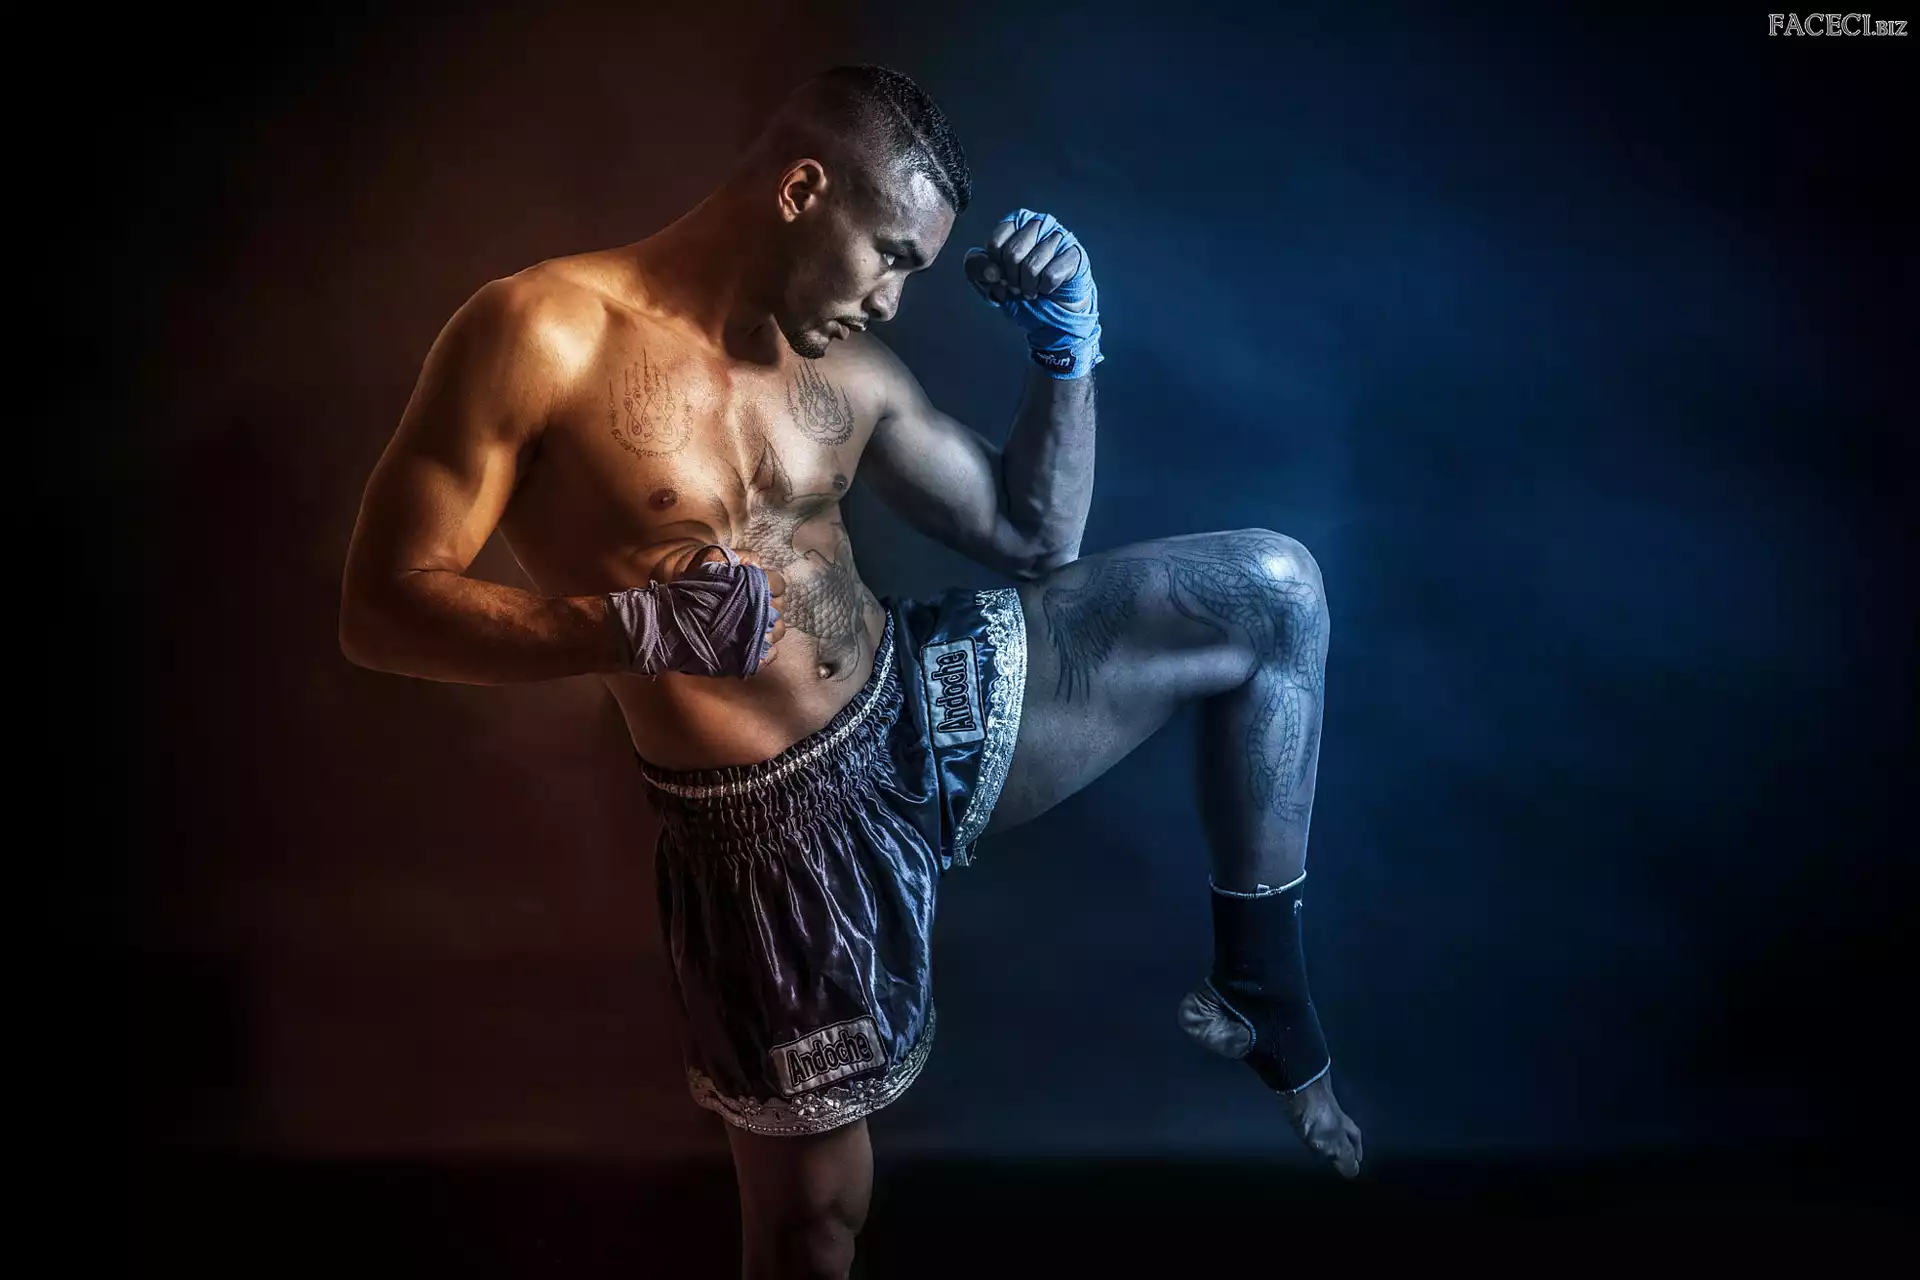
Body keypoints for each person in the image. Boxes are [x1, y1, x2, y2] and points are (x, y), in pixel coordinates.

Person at [340, 62, 1362, 1280]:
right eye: (888, 257)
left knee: (1270, 589)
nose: (890, 299)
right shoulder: (538, 333)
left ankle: (1260, 981)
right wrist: (629, 629)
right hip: (770, 827)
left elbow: (1035, 537)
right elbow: (383, 607)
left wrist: (1069, 346)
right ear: (802, 190)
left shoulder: (846, 371)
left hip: (915, 703)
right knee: (815, 1223)